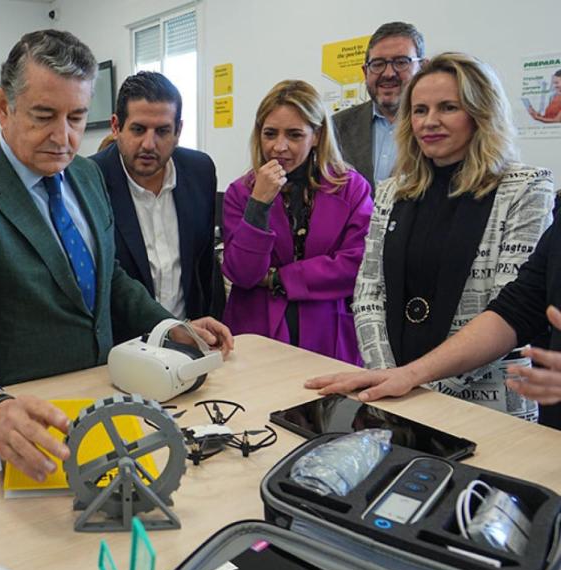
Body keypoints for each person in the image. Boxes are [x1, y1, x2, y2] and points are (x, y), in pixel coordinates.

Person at [0, 29, 233, 483]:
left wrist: (167, 327)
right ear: (4, 106)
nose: (63, 138)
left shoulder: (85, 175)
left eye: (78, 117)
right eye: (44, 116)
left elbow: (111, 279)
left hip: (108, 404)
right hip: (25, 426)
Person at [309, 53, 555, 420]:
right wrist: (388, 374)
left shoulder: (525, 188)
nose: (430, 122)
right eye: (420, 110)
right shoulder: (393, 191)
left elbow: (512, 307)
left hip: (488, 405)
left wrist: (423, 384)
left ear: (480, 113)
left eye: (448, 107)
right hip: (396, 395)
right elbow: (369, 290)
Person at [222, 80, 373, 364]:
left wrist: (279, 278)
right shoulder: (241, 192)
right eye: (270, 134)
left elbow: (358, 264)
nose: (279, 147)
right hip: (257, 329)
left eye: (294, 135)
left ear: (316, 135)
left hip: (326, 330)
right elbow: (242, 274)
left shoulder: (352, 188)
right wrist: (259, 204)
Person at [91, 71, 218, 339]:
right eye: (138, 129)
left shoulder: (200, 170)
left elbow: (205, 264)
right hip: (121, 347)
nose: (149, 144)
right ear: (116, 127)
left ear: (179, 131)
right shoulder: (89, 178)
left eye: (162, 131)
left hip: (191, 337)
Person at [333, 22, 427, 191]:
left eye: (401, 62)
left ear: (423, 68)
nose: (389, 73)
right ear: (365, 72)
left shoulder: (437, 127)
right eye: (377, 64)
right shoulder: (336, 127)